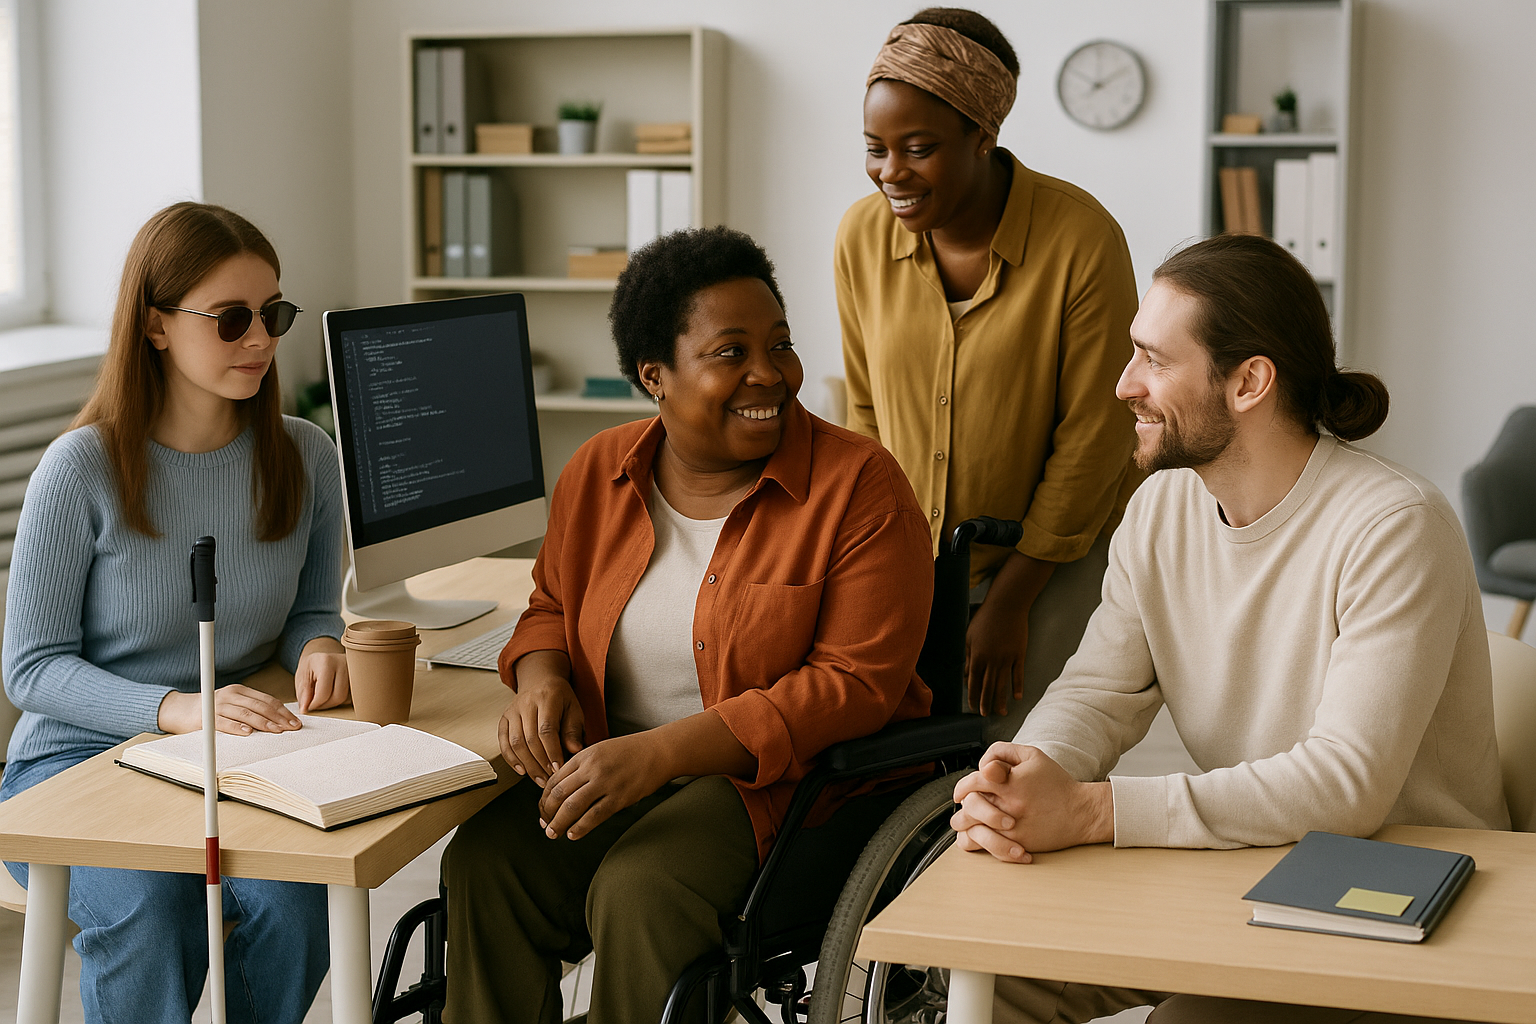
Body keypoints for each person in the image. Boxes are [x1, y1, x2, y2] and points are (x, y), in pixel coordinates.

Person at [950, 233, 1510, 1024]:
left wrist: (1091, 811)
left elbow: (1345, 785)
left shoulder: (1393, 525)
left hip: (1398, 896)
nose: (1124, 385)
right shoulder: (1160, 509)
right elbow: (1098, 690)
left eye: (1153, 359)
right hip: (1255, 859)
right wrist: (1024, 776)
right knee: (979, 975)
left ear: (1249, 382)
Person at [440, 226, 934, 1024]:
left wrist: (660, 753)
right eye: (730, 352)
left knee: (641, 887)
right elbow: (550, 607)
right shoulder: (598, 471)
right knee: (487, 862)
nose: (769, 373)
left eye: (779, 344)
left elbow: (852, 686)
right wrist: (541, 680)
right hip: (624, 761)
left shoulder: (860, 486)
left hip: (791, 789)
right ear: (654, 376)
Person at [1, 202, 347, 1024]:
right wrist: (177, 709)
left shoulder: (306, 454)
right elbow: (30, 669)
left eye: (273, 315)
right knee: (153, 908)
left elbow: (310, 608)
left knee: (302, 899)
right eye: (231, 320)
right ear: (156, 325)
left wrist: (321, 646)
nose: (260, 340)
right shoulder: (80, 469)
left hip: (235, 755)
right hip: (76, 760)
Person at [837, 7, 1142, 743]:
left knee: (1020, 761)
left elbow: (1097, 434)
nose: (891, 173)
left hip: (1053, 563)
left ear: (983, 135)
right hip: (906, 566)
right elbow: (865, 410)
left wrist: (1011, 600)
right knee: (903, 766)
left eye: (918, 148)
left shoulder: (1082, 240)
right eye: (875, 148)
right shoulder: (861, 237)